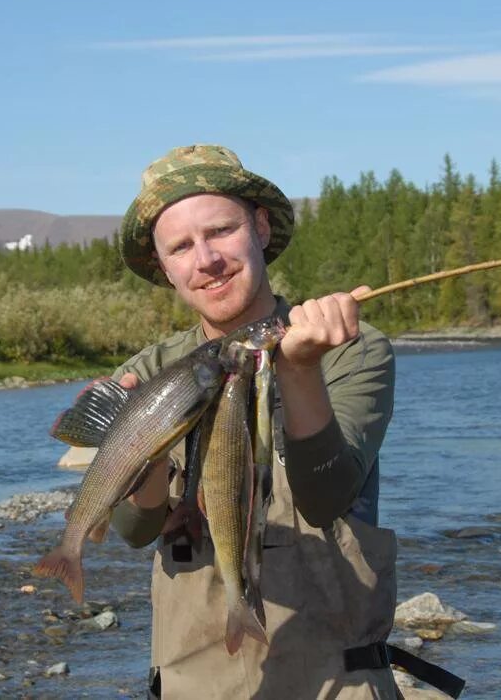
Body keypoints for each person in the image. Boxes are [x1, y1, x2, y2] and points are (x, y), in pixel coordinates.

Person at [108, 145, 402, 699]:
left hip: (339, 686)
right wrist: (140, 452)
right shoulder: (147, 375)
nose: (206, 260)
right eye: (180, 247)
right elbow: (134, 530)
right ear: (163, 266)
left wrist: (298, 369)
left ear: (261, 229)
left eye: (221, 231)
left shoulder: (349, 350)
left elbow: (326, 497)